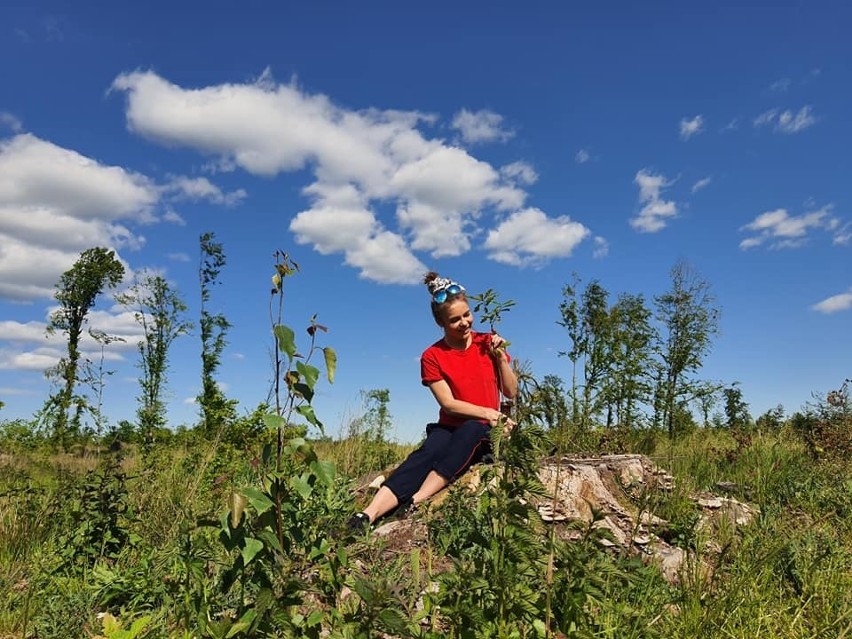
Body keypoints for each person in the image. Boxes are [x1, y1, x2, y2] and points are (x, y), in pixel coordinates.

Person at [345, 271, 518, 532]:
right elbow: (448, 404)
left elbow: (511, 391)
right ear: (441, 323)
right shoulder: (432, 355)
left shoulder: (487, 343)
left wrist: (499, 356)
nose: (464, 322)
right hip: (451, 425)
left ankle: (415, 501)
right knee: (429, 451)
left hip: (483, 429)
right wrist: (489, 411)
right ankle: (367, 515)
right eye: (454, 320)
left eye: (467, 314)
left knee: (471, 430)